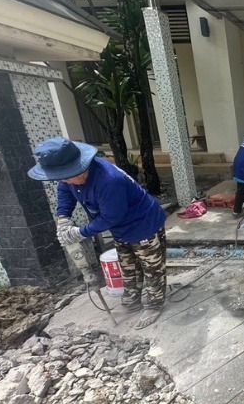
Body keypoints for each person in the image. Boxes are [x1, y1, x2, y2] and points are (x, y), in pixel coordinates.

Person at [28, 137, 166, 329]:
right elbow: (65, 190)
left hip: (143, 224)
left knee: (152, 267)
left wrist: (81, 232)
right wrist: (63, 217)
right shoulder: (70, 177)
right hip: (120, 229)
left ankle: (154, 304)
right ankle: (132, 299)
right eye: (61, 177)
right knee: (128, 265)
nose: (64, 181)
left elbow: (111, 217)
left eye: (67, 177)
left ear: (80, 168)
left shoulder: (109, 181)